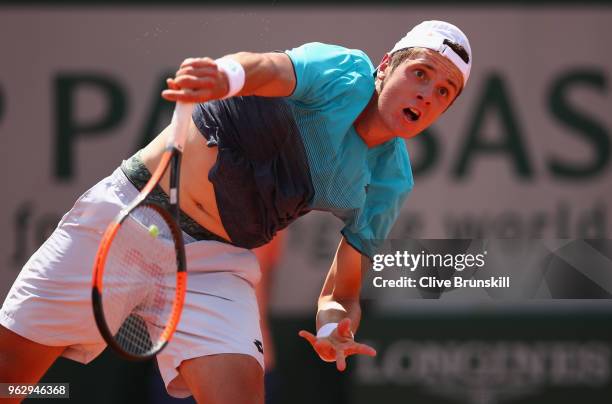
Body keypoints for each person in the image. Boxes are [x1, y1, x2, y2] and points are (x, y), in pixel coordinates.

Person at [0, 20, 472, 404]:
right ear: (387, 66)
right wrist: (225, 77)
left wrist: (334, 325)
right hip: (132, 212)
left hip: (216, 267)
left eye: (444, 91)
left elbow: (341, 291)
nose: (427, 94)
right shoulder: (345, 72)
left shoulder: (390, 181)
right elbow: (268, 68)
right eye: (421, 73)